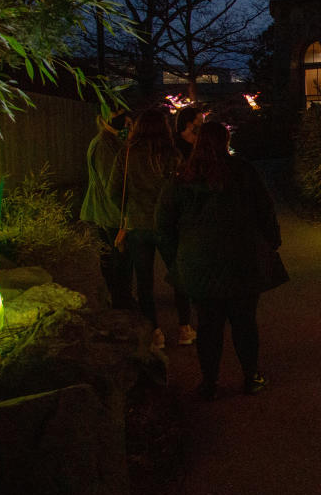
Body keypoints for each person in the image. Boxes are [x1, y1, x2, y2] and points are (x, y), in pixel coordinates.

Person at [156, 121, 281, 399]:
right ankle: (251, 377)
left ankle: (209, 383)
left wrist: (177, 257)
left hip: (199, 263)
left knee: (208, 324)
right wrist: (270, 243)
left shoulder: (183, 177)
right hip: (242, 260)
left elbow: (164, 224)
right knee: (244, 322)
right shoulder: (243, 171)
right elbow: (265, 210)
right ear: (225, 141)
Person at [110, 106, 194, 350]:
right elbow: (182, 190)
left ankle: (155, 333)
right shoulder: (172, 155)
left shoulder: (126, 155)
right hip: (167, 224)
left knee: (144, 282)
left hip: (138, 224)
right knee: (179, 274)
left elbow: (113, 191)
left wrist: (127, 212)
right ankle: (184, 328)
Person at [79, 109, 134, 310]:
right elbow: (111, 183)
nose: (130, 129)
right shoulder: (105, 145)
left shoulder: (107, 143)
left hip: (105, 210)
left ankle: (119, 299)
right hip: (109, 213)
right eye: (127, 125)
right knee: (117, 259)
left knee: (112, 258)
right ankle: (121, 301)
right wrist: (124, 216)